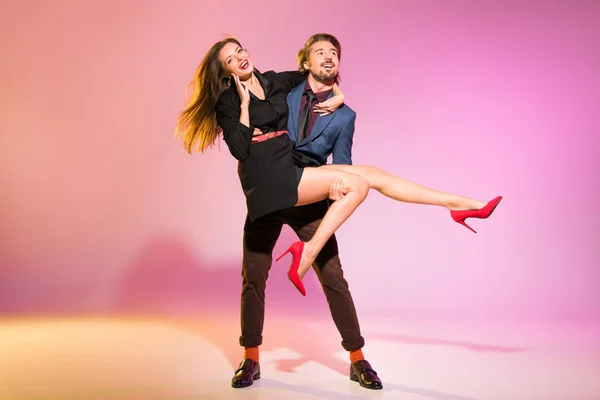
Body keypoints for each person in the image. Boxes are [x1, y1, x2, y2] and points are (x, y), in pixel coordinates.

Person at [175, 35, 502, 388]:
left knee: (335, 273)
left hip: (309, 193)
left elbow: (343, 162)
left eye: (333, 54)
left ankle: (358, 359)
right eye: (319, 52)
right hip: (274, 186)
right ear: (305, 62)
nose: (327, 58)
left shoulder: (318, 102)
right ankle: (250, 358)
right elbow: (242, 142)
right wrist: (244, 106)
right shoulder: (282, 88)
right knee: (253, 276)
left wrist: (339, 102)